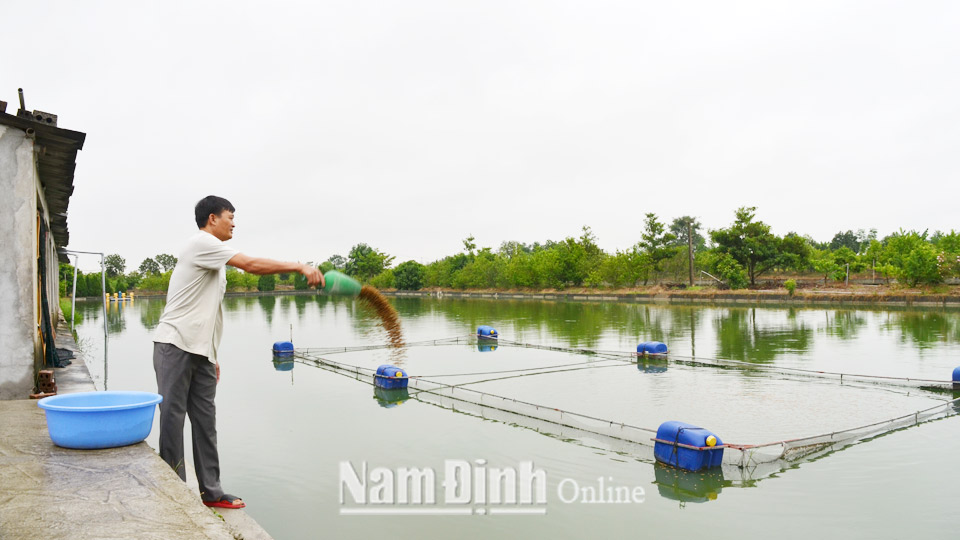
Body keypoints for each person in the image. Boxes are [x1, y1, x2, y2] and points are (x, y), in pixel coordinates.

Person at [153, 195, 323, 509]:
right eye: (231, 216)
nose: (234, 222)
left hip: (201, 352)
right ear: (212, 219)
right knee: (172, 420)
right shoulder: (201, 243)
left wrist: (213, 355)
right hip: (174, 344)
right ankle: (174, 495)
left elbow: (209, 313)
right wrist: (299, 265)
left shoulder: (215, 261)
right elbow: (251, 265)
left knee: (205, 420)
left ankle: (212, 493)